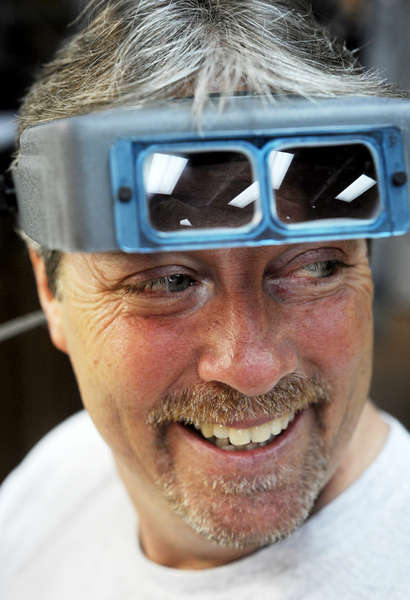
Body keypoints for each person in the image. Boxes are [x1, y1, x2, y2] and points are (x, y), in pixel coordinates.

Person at [1, 1, 409, 598]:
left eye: (314, 268)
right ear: (50, 290)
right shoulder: (62, 473)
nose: (252, 370)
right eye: (168, 283)